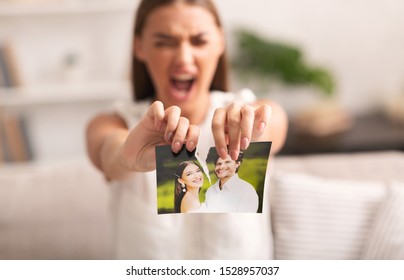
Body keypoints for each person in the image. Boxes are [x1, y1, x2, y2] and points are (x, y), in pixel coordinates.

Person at [86, 0, 288, 259]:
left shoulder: (246, 111)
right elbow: (109, 150)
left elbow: (274, 121)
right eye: (164, 42)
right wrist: (128, 158)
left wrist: (253, 126)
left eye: (199, 41)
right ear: (140, 47)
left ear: (220, 42)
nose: (183, 58)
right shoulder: (113, 123)